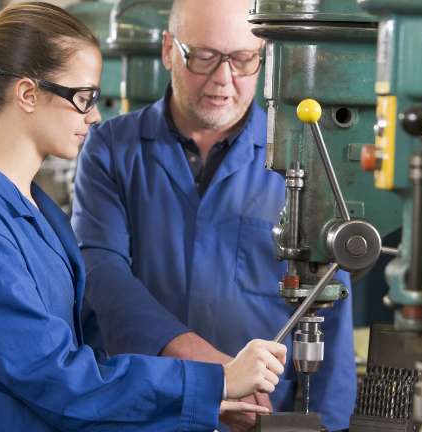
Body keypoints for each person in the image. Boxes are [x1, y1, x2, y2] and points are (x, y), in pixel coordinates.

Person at [0, 3, 288, 431]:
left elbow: (86, 371)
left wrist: (191, 407)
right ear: (28, 94)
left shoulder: (36, 211)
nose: (94, 114)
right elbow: (57, 379)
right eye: (83, 97)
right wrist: (214, 382)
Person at [71, 0, 357, 430]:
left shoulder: (307, 160)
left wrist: (330, 426)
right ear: (169, 50)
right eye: (203, 57)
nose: (223, 80)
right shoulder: (111, 148)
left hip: (260, 420)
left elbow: (331, 314)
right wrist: (213, 371)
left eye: (243, 59)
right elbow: (100, 271)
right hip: (145, 413)